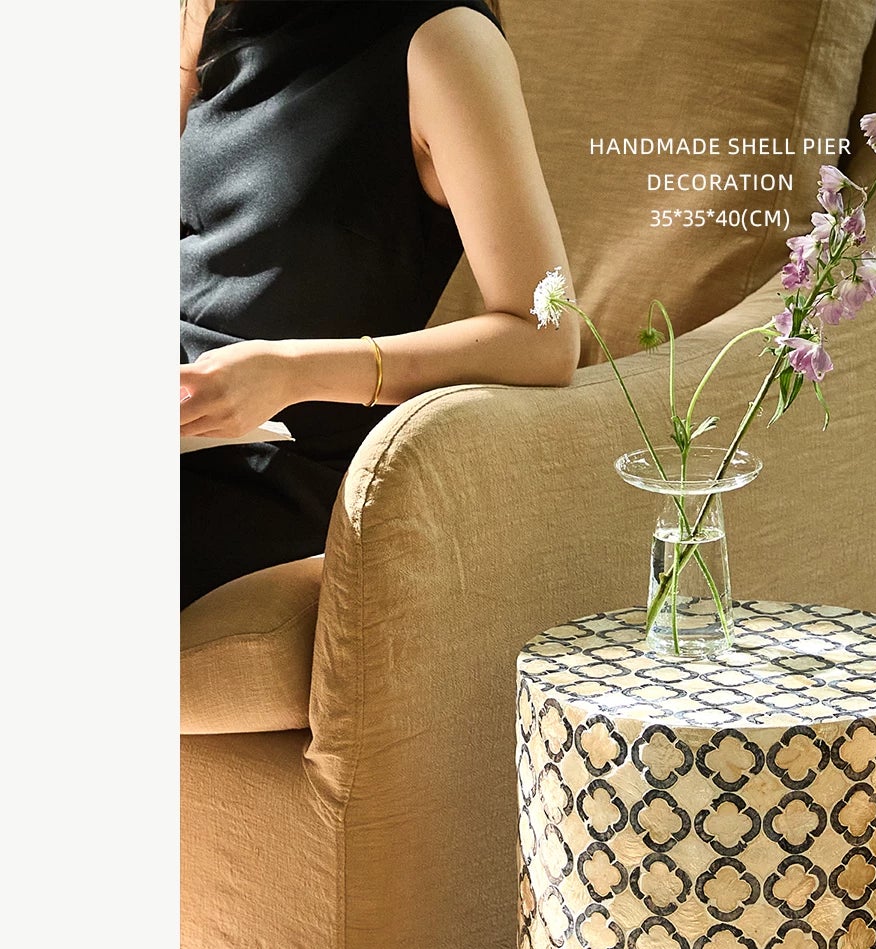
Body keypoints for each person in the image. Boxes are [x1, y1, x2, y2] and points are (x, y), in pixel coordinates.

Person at [179, 0, 579, 608]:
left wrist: (290, 372)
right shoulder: (223, 18)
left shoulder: (446, 43)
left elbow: (545, 335)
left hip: (276, 467)